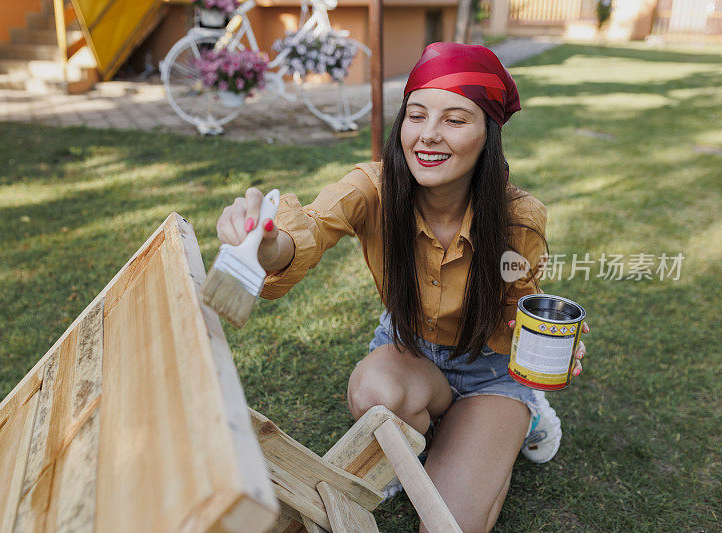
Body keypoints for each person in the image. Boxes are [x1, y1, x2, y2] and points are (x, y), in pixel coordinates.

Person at [213, 42, 590, 532]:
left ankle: (528, 415)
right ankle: (425, 430)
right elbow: (310, 226)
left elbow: (517, 305)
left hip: (490, 372)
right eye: (416, 115)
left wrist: (548, 346)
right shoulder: (372, 187)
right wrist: (268, 248)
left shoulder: (520, 217)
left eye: (455, 120)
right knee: (377, 388)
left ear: (486, 136)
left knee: (448, 523)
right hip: (408, 353)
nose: (428, 135)